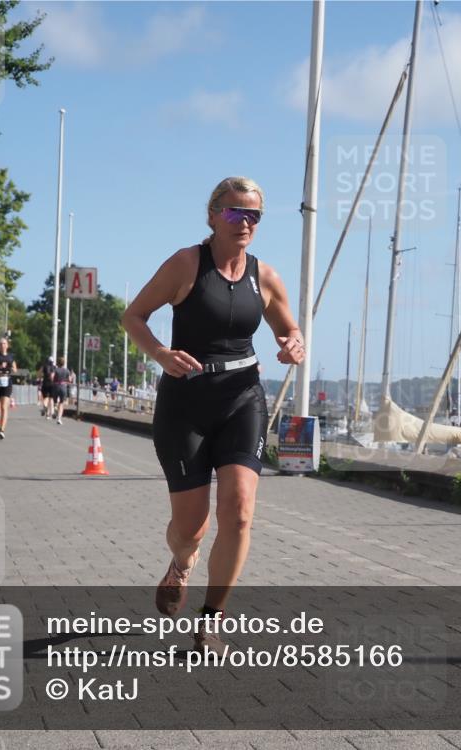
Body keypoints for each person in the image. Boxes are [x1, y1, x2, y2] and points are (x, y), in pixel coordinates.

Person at [122, 176, 304, 652]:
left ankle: (211, 618)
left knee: (240, 511)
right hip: (185, 403)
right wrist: (161, 354)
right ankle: (182, 562)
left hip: (243, 396)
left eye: (253, 215)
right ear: (213, 215)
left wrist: (293, 344)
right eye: (234, 212)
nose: (244, 222)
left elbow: (289, 327)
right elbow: (133, 316)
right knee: (191, 527)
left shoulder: (264, 276)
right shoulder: (186, 264)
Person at [52, 356, 72, 425]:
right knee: (61, 403)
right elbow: (70, 380)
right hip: (63, 386)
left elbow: (52, 377)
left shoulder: (55, 370)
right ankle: (59, 419)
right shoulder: (67, 370)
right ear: (64, 363)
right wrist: (65, 380)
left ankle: (54, 408)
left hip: (56, 386)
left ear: (58, 362)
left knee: (55, 401)